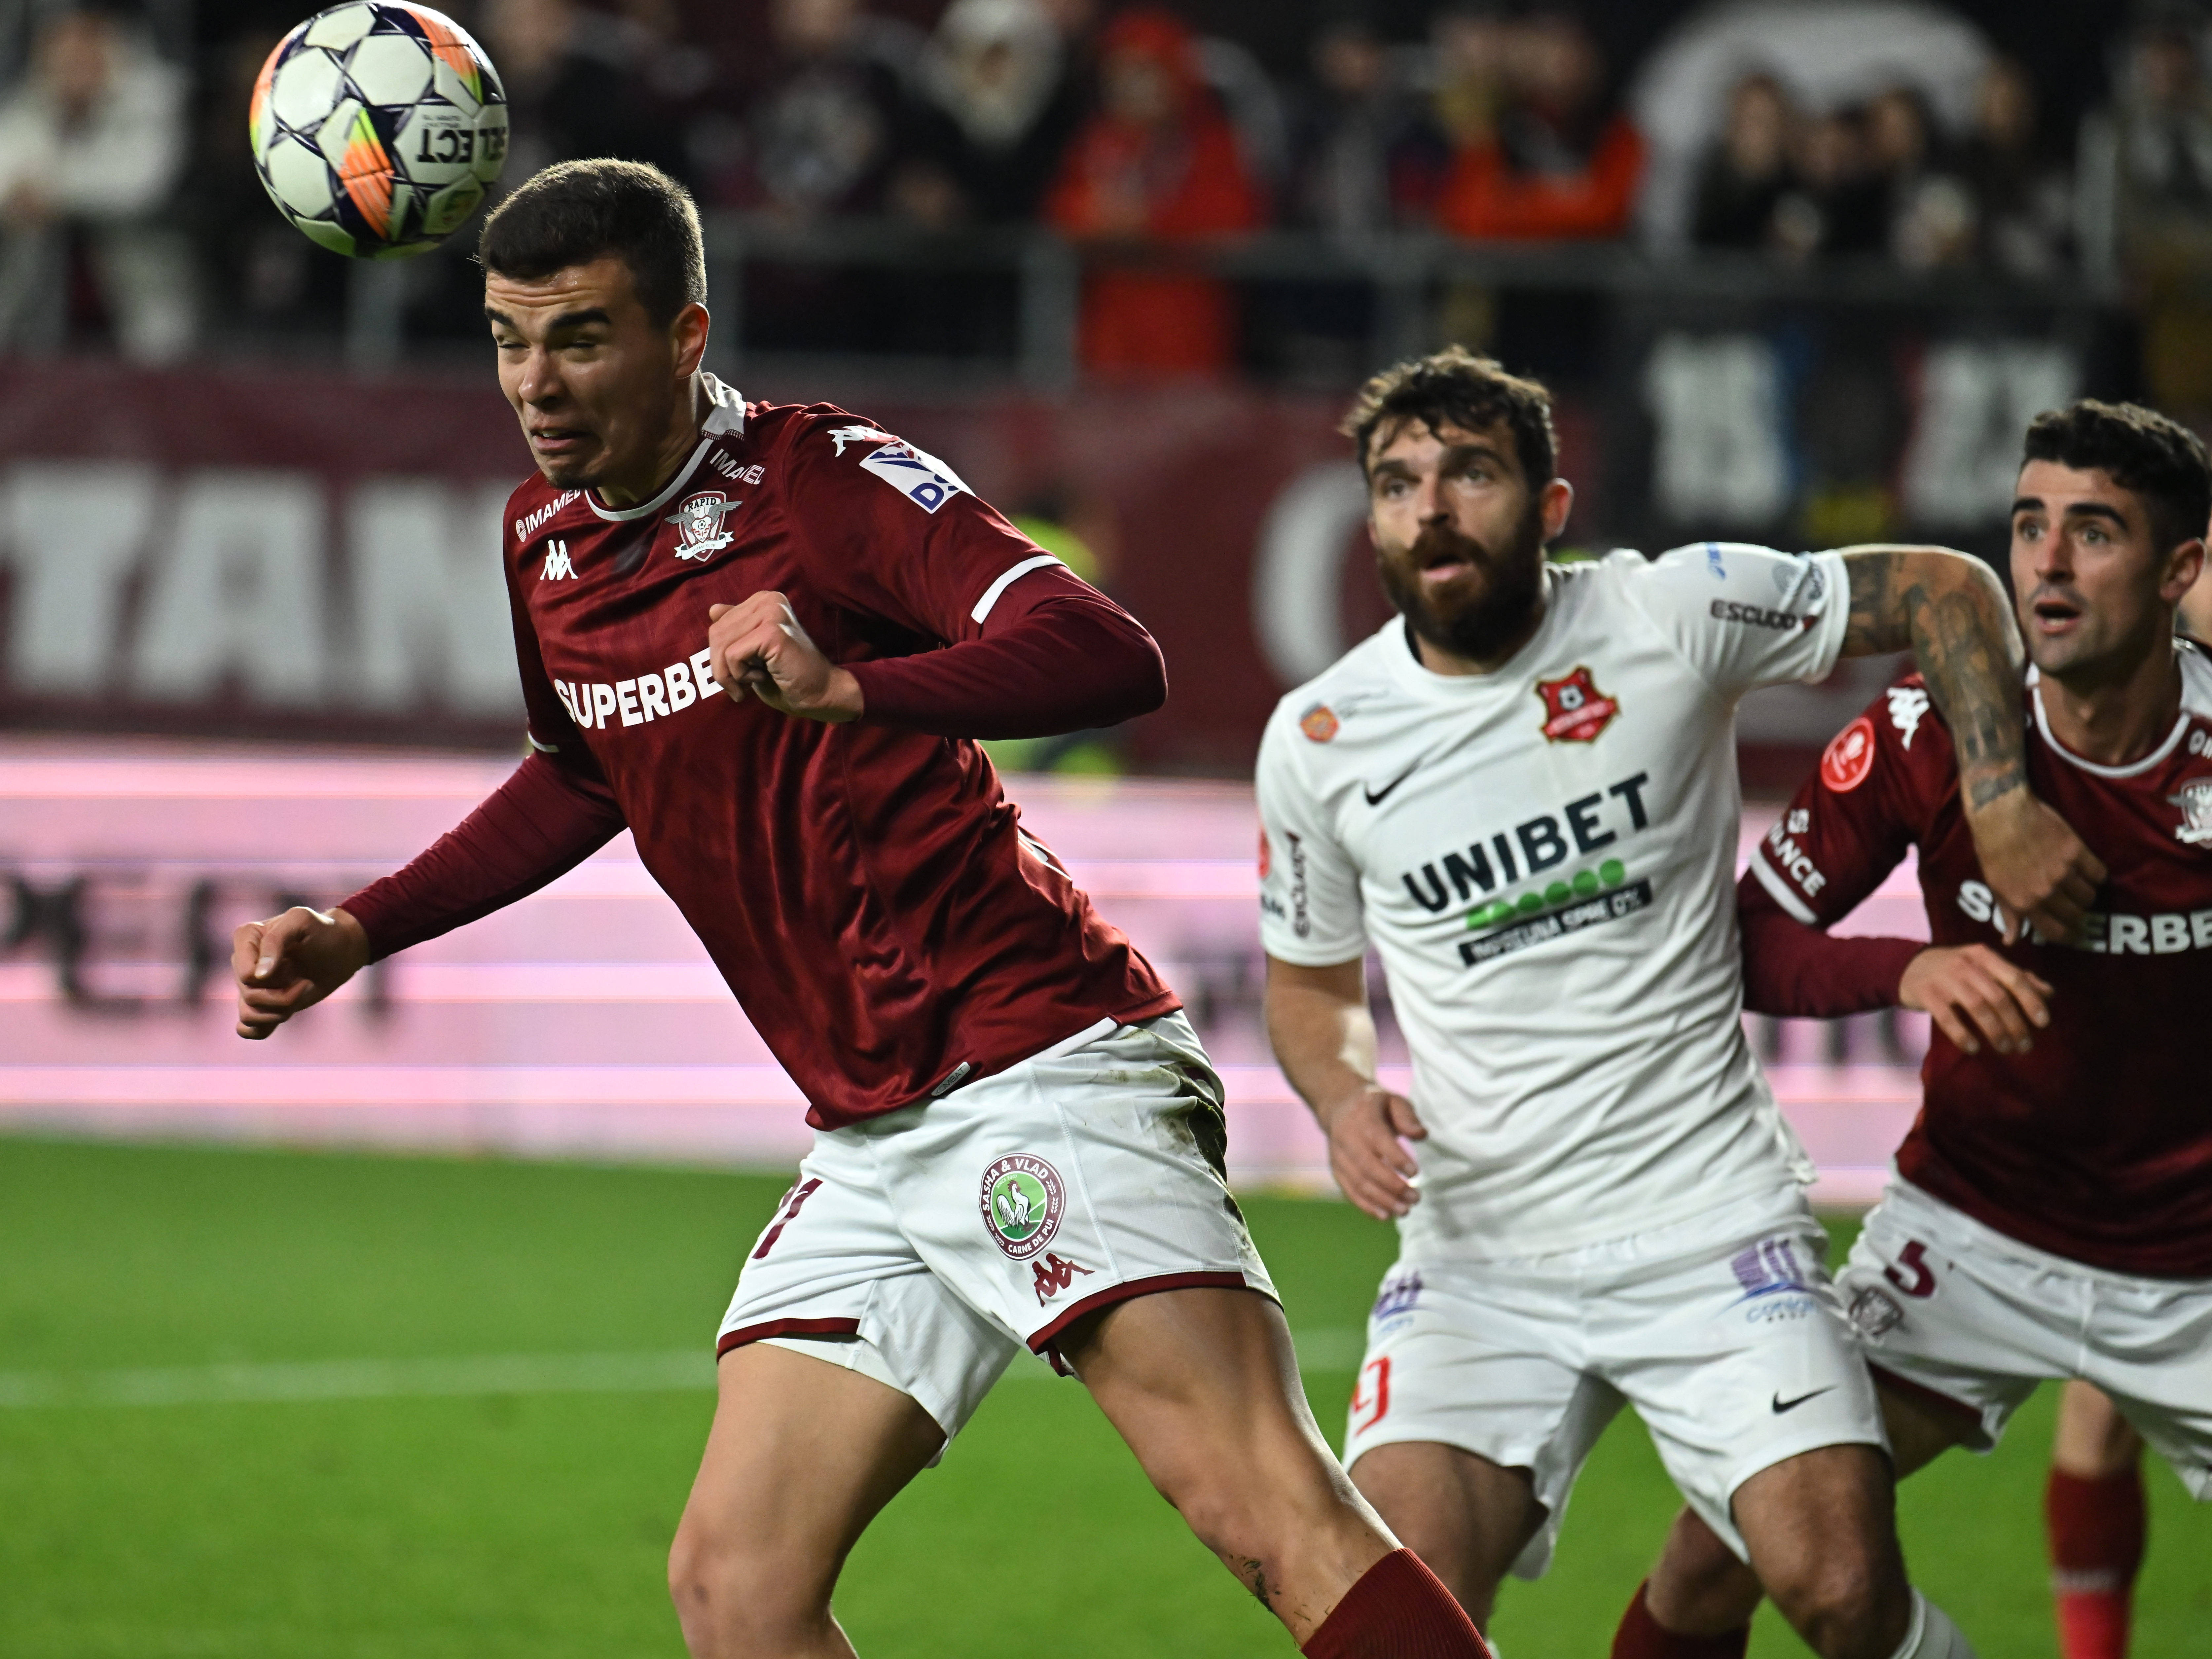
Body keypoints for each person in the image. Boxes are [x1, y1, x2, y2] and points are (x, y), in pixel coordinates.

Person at [227, 159, 1490, 1659]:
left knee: (1265, 1510)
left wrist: (854, 687)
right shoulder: (542, 541)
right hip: (873, 1127)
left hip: (1034, 1061)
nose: (536, 384)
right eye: (509, 340)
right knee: (737, 1587)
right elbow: (581, 770)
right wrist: (360, 927)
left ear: (684, 335)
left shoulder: (819, 482)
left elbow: (1109, 651)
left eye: (579, 338)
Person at [1255, 346, 2101, 1655]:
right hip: (1477, 1254)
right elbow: (1309, 989)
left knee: (1840, 1588)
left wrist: (1997, 801)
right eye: (1398, 483)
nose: (1430, 510)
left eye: (1470, 474)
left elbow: (1944, 586)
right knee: (1392, 1623)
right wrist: (1342, 1093)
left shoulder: (1670, 610)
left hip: (1708, 1226)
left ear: (1550, 506)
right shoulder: (1319, 738)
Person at [1625, 398, 2212, 1659]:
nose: (2046, 565)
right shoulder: (1927, 726)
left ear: (2177, 572)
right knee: (1715, 1558)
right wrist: (1910, 968)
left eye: (2092, 532)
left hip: (2196, 1269)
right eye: (2027, 525)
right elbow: (1745, 939)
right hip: (1970, 1237)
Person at [1044, 5, 1263, 378]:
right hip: (1109, 333)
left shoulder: (1209, 143)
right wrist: (1096, 220)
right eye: (1118, 75)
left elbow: (1236, 217)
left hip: (1187, 326)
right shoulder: (1098, 143)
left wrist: (1151, 224)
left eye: (1143, 73)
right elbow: (1060, 208)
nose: (1129, 87)